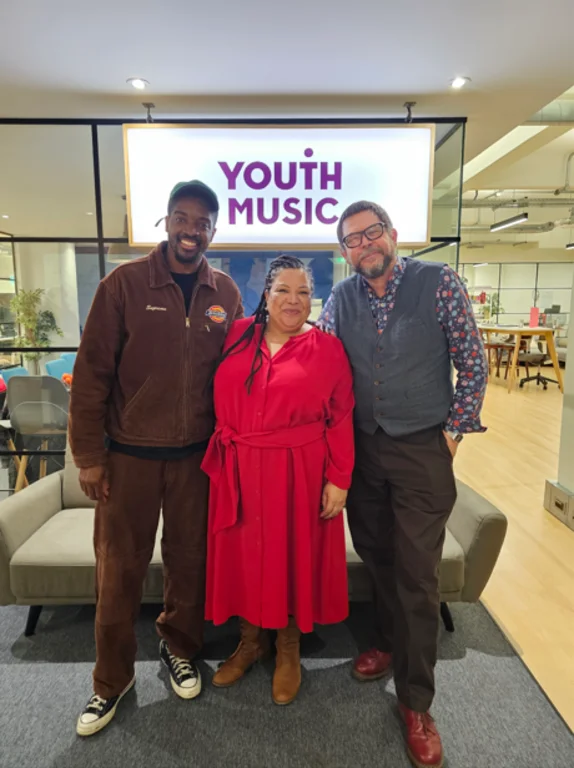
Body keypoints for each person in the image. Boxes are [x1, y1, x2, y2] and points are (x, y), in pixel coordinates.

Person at [69, 180, 243, 736]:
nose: (192, 230)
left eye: (203, 223)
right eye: (182, 219)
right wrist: (90, 457)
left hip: (198, 459)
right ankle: (110, 682)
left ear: (214, 230)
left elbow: (236, 376)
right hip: (129, 459)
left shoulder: (225, 293)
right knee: (118, 573)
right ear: (166, 221)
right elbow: (91, 376)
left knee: (190, 565)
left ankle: (180, 648)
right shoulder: (123, 285)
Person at [317, 202, 487, 768]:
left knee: (418, 573)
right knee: (378, 556)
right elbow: (320, 362)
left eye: (371, 233)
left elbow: (472, 360)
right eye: (351, 240)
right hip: (363, 451)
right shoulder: (341, 299)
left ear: (392, 234)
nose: (364, 245)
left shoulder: (438, 283)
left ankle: (416, 703)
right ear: (344, 252)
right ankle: (389, 643)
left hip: (421, 449)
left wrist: (455, 432)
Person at [201, 254, 355, 705]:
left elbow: (341, 417)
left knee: (291, 558)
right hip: (239, 467)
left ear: (313, 298)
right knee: (244, 557)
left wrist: (339, 479)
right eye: (283, 290)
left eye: (303, 292)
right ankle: (250, 644)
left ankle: (288, 649)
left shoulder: (328, 349)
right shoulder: (233, 337)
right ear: (265, 295)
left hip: (300, 473)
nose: (294, 300)